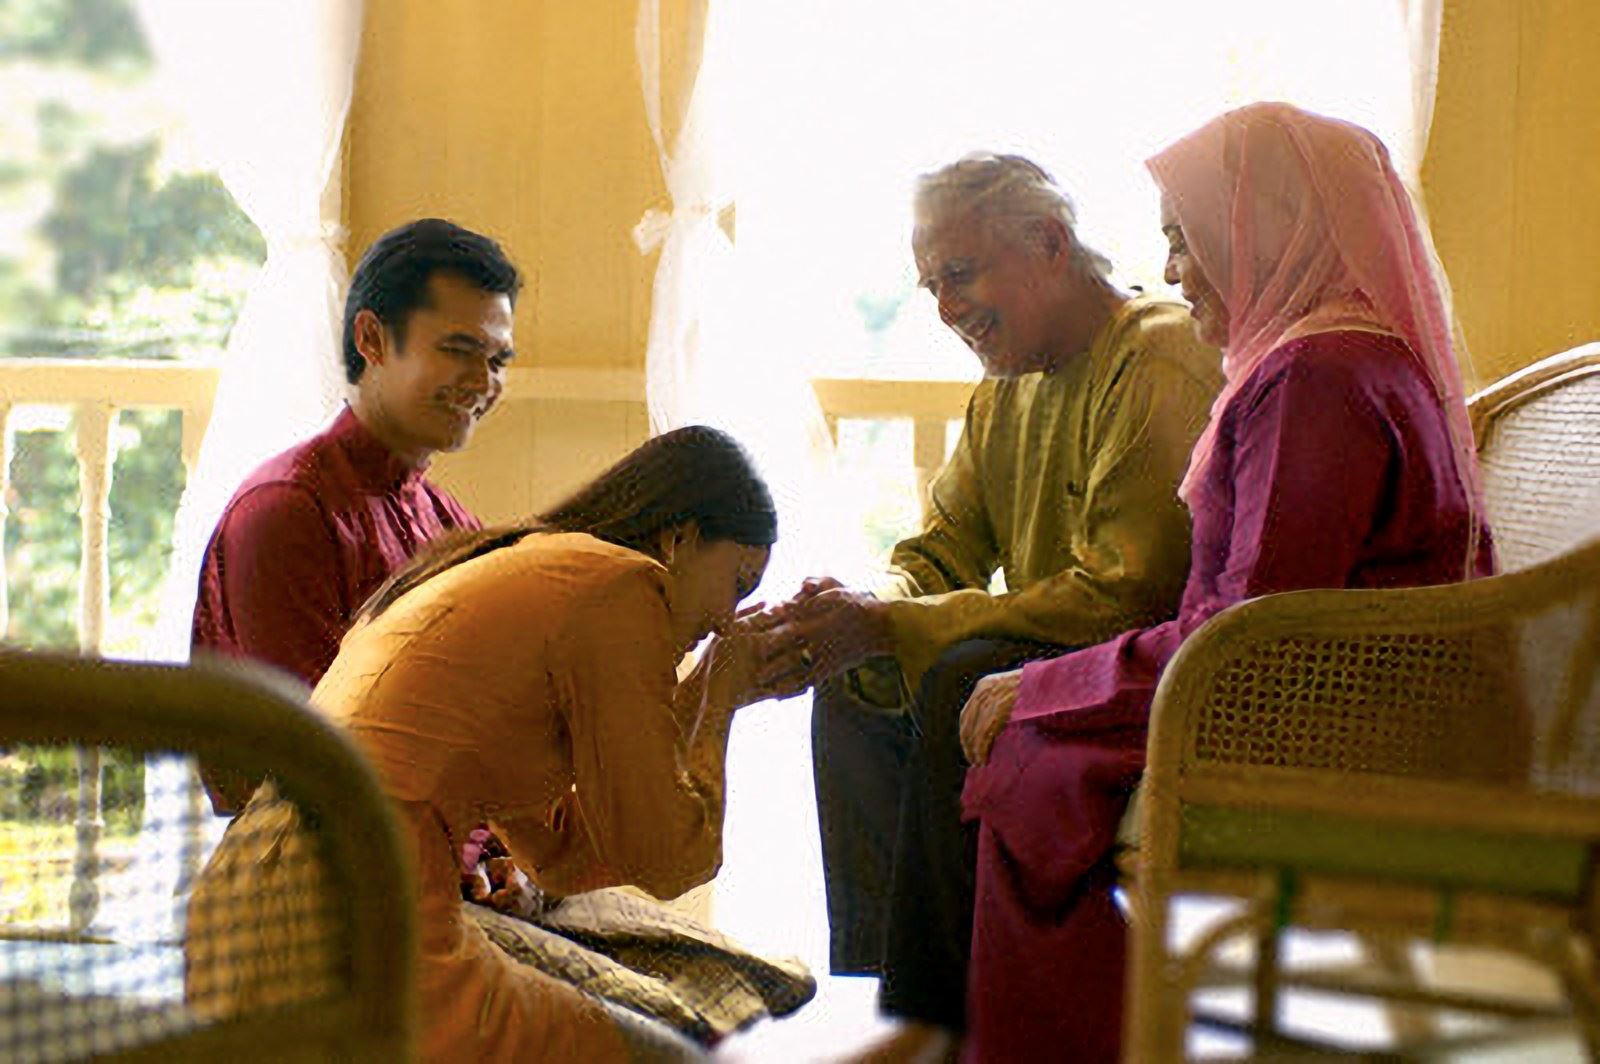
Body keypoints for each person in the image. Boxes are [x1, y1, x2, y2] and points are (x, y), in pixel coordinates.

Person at [921, 103, 1493, 1062]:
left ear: (1260, 230)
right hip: (1326, 696)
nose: (1174, 271)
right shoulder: (1328, 357)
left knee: (1021, 763)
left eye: (1187, 243)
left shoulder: (1315, 378)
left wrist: (1045, 684)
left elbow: (1245, 633)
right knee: (1013, 729)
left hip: (1329, 730)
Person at [185, 426, 800, 1062]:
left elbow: (558, 853)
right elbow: (671, 858)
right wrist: (722, 693)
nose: (729, 621)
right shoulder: (624, 587)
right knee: (670, 1052)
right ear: (679, 538)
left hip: (248, 906)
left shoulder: (539, 567)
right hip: (348, 918)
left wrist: (711, 691)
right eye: (738, 584)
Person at [756, 154, 1221, 980]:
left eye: (960, 274)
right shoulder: (1005, 385)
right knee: (857, 679)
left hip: (1147, 679)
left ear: (1049, 241)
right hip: (1056, 656)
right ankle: (878, 993)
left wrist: (891, 623)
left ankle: (938, 1008)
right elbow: (940, 551)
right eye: (930, 284)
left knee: (956, 674)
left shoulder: (1156, 354)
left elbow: (1125, 596)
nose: (944, 307)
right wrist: (861, 611)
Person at [190, 218, 519, 814]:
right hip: (318, 875)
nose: (484, 381)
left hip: (441, 854)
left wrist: (503, 855)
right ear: (371, 339)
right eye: (459, 349)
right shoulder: (285, 512)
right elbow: (325, 758)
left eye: (498, 360)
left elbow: (487, 729)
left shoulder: (449, 522)